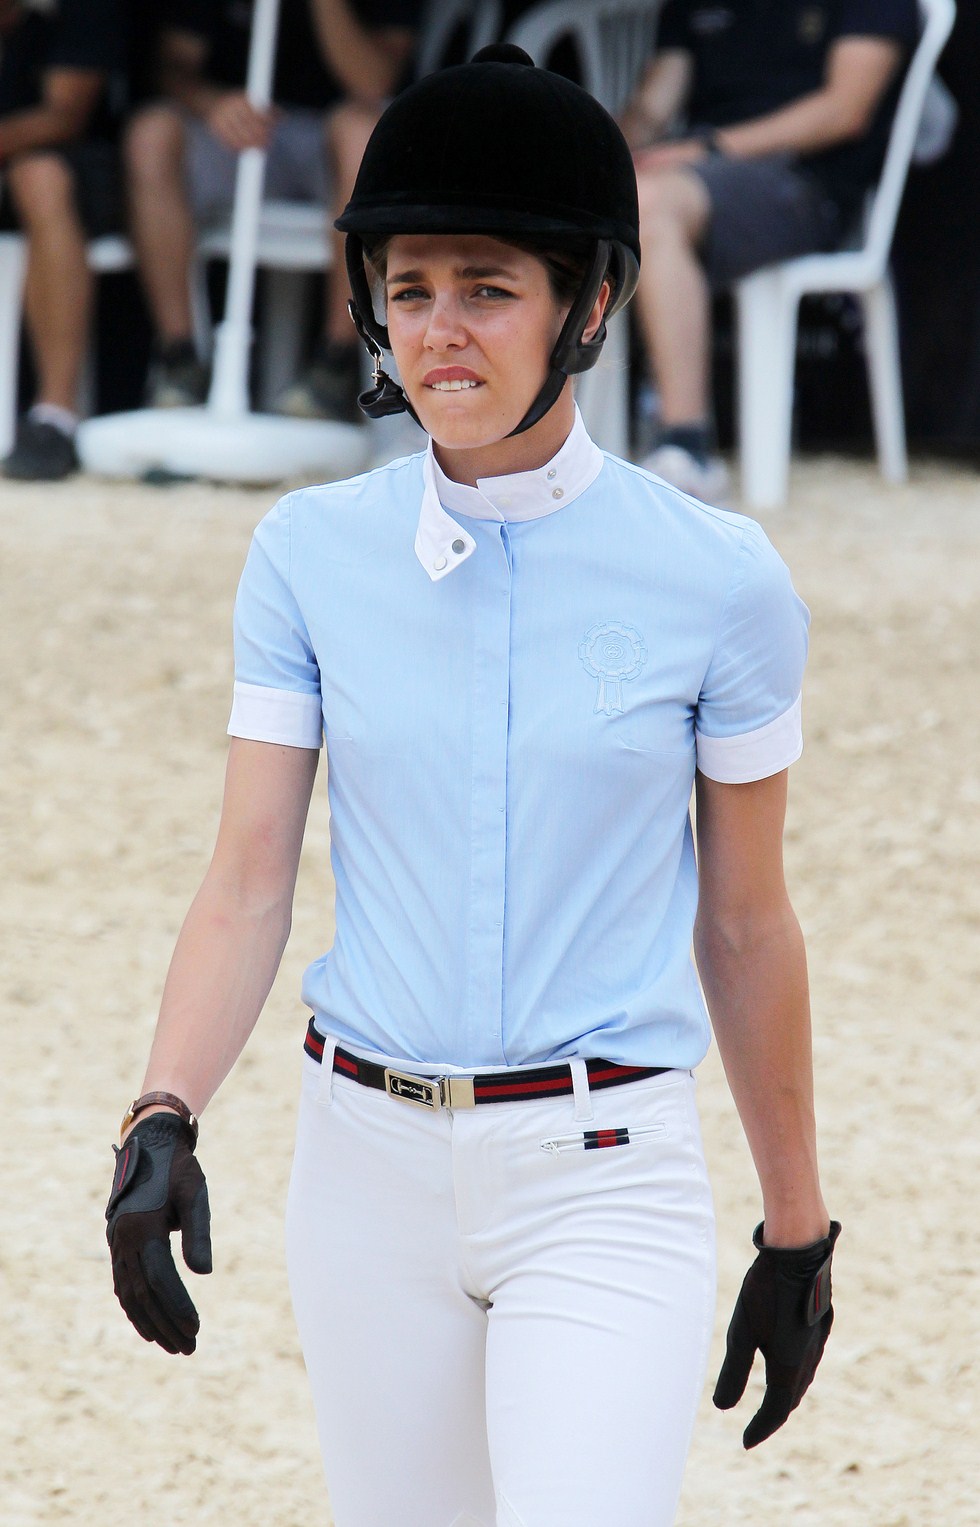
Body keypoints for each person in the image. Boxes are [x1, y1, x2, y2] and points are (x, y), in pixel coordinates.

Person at [105, 46, 841, 1527]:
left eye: (488, 289)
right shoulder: (305, 556)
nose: (438, 331)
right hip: (364, 1172)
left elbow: (745, 922)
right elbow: (248, 879)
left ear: (590, 303)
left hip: (604, 1170)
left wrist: (796, 1224)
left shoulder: (720, 581)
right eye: (411, 288)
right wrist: (160, 1113)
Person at [620, 0, 920, 501]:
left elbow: (844, 110)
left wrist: (704, 149)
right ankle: (550, 441)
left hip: (805, 181)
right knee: (590, 198)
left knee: (650, 204)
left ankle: (686, 446)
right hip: (696, 174)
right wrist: (601, 155)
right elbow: (653, 107)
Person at [124, 0, 419, 417]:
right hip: (236, 134)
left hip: (331, 143)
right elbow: (171, 63)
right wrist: (211, 100)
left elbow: (375, 82)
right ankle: (179, 360)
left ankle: (335, 363)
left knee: (362, 131)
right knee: (150, 134)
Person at [0, 0, 125, 481]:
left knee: (39, 176)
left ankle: (54, 416)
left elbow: (63, 115)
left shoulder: (78, 11)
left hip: (81, 172)